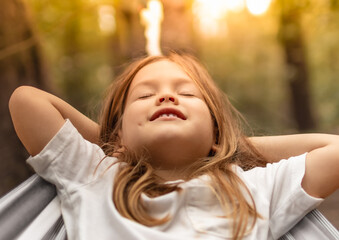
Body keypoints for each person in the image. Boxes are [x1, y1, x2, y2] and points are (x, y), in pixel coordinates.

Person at [8, 52, 339, 240]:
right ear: (117, 135)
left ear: (215, 130)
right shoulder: (95, 174)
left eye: (188, 93)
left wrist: (231, 146)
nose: (167, 96)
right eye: (145, 95)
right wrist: (114, 144)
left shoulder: (255, 190)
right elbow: (27, 102)